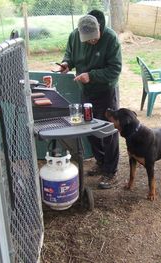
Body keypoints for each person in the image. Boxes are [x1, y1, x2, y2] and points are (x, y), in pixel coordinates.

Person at [56, 10, 122, 189]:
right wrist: (67, 64)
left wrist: (91, 76)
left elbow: (115, 69)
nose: (92, 41)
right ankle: (101, 162)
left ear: (100, 29)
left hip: (106, 91)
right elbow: (70, 54)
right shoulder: (74, 36)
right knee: (90, 128)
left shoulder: (111, 38)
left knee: (108, 131)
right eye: (88, 39)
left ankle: (111, 171)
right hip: (86, 91)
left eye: (95, 38)